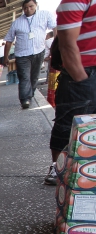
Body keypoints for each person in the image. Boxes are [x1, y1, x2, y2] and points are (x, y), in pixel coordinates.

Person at [46, 0, 96, 185]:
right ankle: (57, 168)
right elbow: (66, 44)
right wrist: (82, 80)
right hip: (85, 74)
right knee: (67, 127)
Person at [2, 0, 56, 109]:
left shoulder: (44, 15)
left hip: (39, 52)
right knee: (24, 77)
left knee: (34, 77)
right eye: (25, 7)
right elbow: (9, 40)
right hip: (22, 55)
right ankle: (25, 99)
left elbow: (54, 27)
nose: (28, 9)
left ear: (36, 5)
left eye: (31, 6)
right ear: (23, 9)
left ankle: (30, 95)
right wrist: (6, 57)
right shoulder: (17, 22)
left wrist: (57, 44)